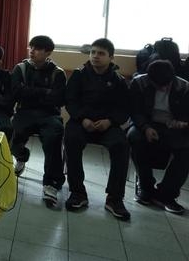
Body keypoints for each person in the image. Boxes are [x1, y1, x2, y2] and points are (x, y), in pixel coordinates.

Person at [64, 38, 131, 220]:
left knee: (121, 145)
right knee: (71, 140)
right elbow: (70, 100)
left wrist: (110, 121)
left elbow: (124, 108)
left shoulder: (118, 80)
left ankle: (114, 198)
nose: (95, 56)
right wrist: (82, 118)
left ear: (111, 57)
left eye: (101, 53)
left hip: (108, 125)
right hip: (81, 122)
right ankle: (77, 192)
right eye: (93, 52)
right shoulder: (79, 75)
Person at [9, 35, 67, 208]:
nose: (32, 51)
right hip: (24, 111)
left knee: (53, 139)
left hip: (49, 115)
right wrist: (45, 92)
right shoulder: (21, 68)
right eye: (31, 47)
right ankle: (21, 156)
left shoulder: (58, 72)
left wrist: (31, 92)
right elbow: (16, 93)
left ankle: (51, 184)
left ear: (48, 52)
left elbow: (58, 99)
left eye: (37, 48)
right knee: (12, 132)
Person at [128, 59, 189, 215]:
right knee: (134, 137)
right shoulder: (140, 82)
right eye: (157, 85)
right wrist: (146, 127)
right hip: (147, 123)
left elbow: (185, 113)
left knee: (185, 151)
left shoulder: (183, 87)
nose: (161, 88)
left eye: (165, 85)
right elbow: (134, 110)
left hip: (173, 125)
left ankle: (167, 194)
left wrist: (179, 123)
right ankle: (145, 186)